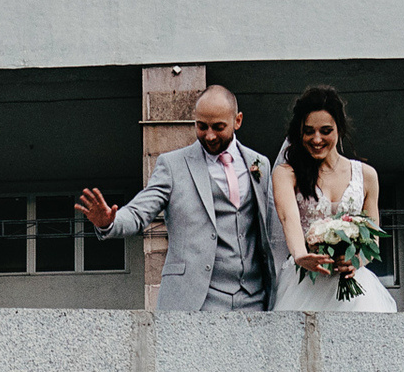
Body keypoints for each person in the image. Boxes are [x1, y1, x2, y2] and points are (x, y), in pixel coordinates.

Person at [74, 84, 280, 312]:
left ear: (237, 121)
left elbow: (273, 224)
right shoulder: (173, 165)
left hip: (253, 297)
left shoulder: (259, 164)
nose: (209, 135)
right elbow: (140, 211)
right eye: (201, 126)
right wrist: (110, 222)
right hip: (195, 299)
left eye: (218, 127)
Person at [270, 84, 396, 313]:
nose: (316, 139)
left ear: (339, 128)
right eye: (309, 131)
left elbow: (373, 237)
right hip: (305, 284)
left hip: (352, 284)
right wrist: (301, 255)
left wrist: (355, 262)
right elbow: (288, 218)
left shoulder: (366, 175)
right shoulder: (286, 174)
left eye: (325, 131)